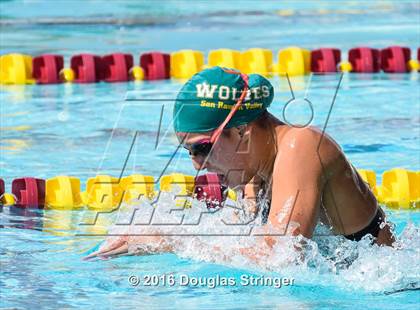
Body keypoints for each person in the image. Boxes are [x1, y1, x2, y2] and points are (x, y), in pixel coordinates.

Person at [86, 67, 394, 260]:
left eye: (202, 148)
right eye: (190, 153)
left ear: (240, 131)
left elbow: (282, 256)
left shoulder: (301, 146)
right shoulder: (255, 172)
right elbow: (246, 243)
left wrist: (170, 241)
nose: (197, 165)